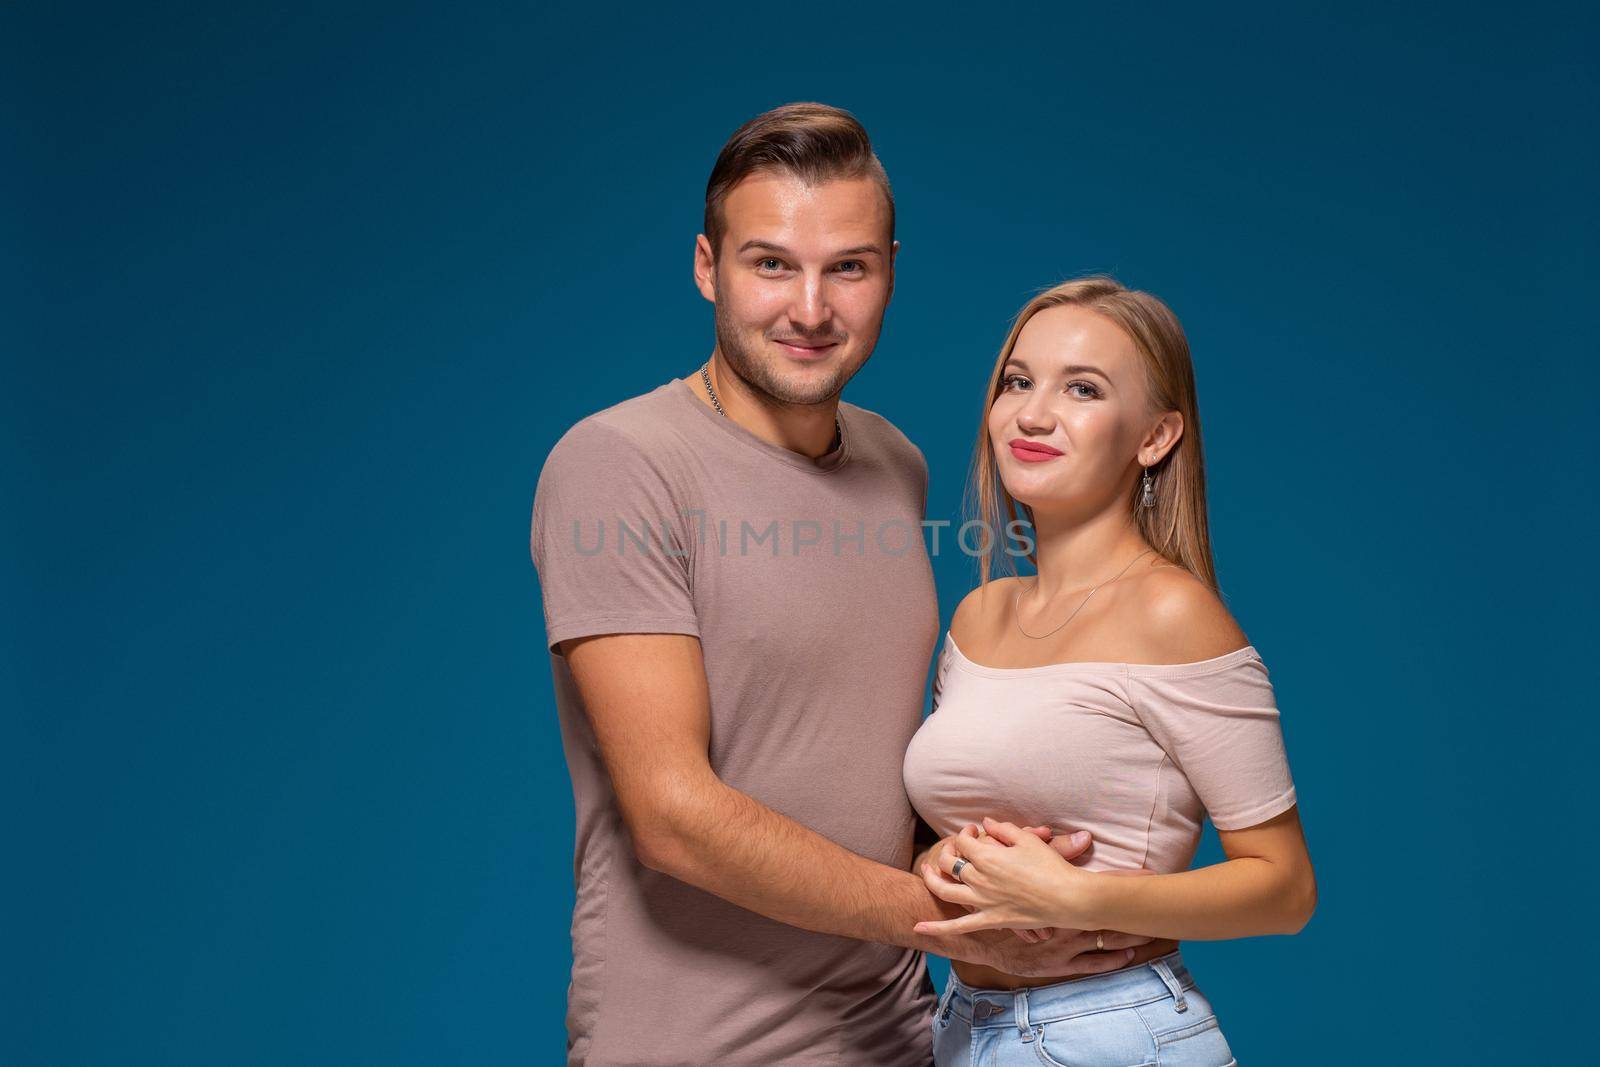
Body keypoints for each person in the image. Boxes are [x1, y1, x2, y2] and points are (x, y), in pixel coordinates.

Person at [529, 106, 1147, 1066]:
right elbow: (671, 814)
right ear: (706, 267)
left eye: (847, 267)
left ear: (890, 270)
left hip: (903, 1039)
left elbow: (858, 761)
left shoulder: (894, 461)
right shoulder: (617, 464)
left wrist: (972, 860)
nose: (810, 309)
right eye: (771, 263)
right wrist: (947, 916)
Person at [901, 276, 1318, 1065]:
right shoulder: (975, 616)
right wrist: (939, 861)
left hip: (1112, 1030)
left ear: (1155, 437)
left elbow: (1287, 886)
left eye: (1082, 388)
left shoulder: (1173, 614)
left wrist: (1078, 897)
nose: (1032, 412)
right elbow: (945, 828)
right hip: (962, 1027)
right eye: (1017, 381)